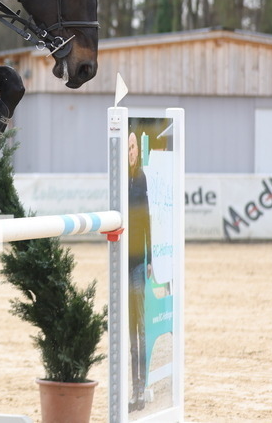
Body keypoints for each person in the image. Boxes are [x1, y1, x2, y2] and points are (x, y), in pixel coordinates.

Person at [127, 130, 152, 413]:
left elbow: (146, 218)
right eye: (128, 147)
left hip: (137, 262)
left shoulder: (141, 177)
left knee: (140, 328)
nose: (131, 151)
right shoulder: (119, 177)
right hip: (121, 260)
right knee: (128, 330)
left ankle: (140, 390)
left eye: (133, 146)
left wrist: (150, 258)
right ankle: (132, 390)